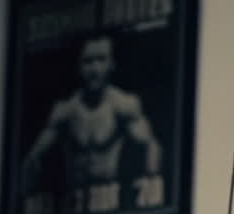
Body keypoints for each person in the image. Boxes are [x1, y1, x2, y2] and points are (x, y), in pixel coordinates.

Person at [21, 32, 162, 194]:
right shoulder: (65, 110)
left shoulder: (123, 104)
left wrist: (151, 183)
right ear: (78, 66)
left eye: (101, 60)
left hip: (109, 197)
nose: (95, 69)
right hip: (73, 201)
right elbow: (34, 157)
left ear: (112, 64)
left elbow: (151, 145)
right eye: (88, 62)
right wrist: (24, 195)